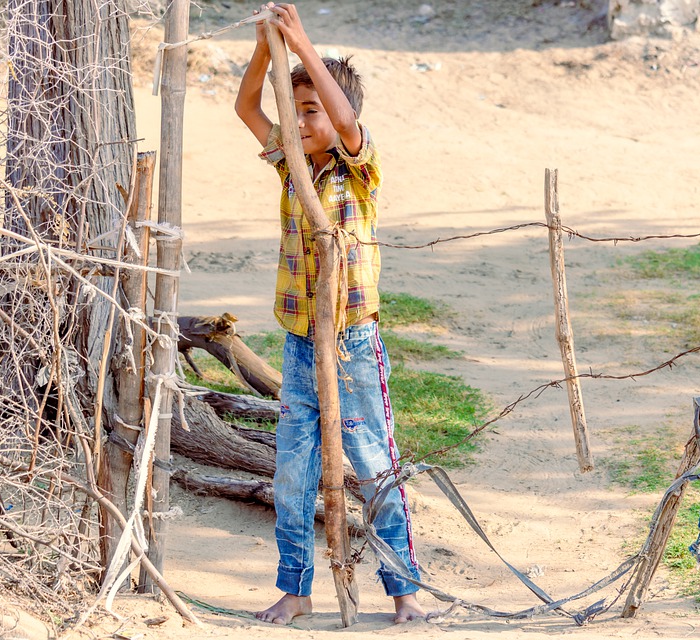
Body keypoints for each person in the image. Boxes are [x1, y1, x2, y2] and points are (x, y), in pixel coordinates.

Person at [233, 2, 426, 626]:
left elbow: (345, 122)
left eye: (311, 110)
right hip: (298, 341)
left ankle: (403, 591)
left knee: (373, 465)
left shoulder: (359, 171)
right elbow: (246, 107)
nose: (301, 121)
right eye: (296, 111)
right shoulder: (292, 166)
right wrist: (268, 47)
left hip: (354, 343)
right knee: (293, 471)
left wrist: (303, 43)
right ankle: (297, 586)